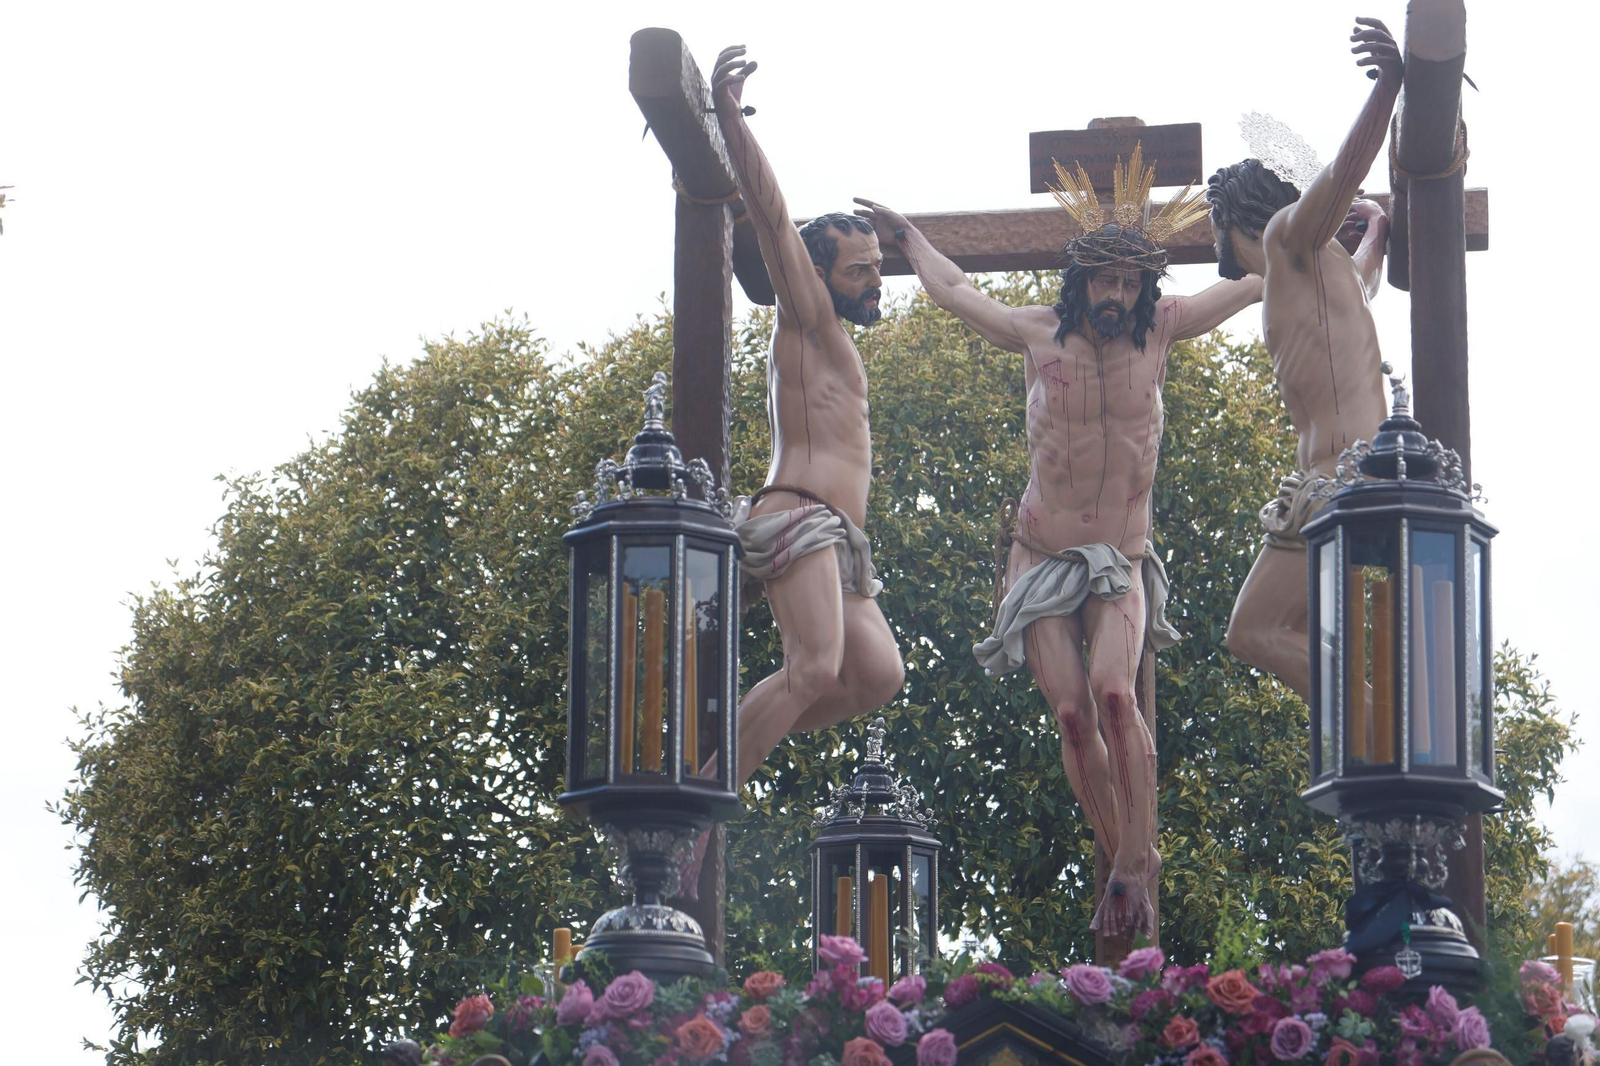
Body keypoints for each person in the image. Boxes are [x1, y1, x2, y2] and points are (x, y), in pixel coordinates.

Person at [855, 142, 1262, 937]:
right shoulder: (1037, 333)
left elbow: (1255, 281)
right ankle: (1122, 868)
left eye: (1130, 282)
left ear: (1145, 287)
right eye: (1105, 281)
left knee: (1116, 692)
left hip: (1119, 561)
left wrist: (1325, 233)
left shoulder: (1163, 332)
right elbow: (954, 290)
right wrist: (908, 238)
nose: (1117, 294)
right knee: (1074, 717)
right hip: (1039, 557)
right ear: (1081, 283)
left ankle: (1137, 859)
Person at [708, 46, 905, 790]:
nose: (873, 280)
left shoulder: (839, 342)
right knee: (815, 665)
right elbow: (772, 214)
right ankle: (710, 782)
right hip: (800, 516)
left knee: (876, 676)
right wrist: (732, 123)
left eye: (877, 268)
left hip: (844, 539)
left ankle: (737, 732)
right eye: (859, 269)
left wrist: (907, 238)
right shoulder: (808, 317)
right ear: (816, 275)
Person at [1211, 17, 1402, 700]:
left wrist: (1388, 87)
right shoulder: (1330, 270)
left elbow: (1345, 172)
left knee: (1253, 631)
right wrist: (1377, 228)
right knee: (1277, 628)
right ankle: (1369, 715)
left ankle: (1366, 723)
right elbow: (1365, 272)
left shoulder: (1286, 238)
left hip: (1339, 479)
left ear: (1231, 220)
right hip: (1358, 476)